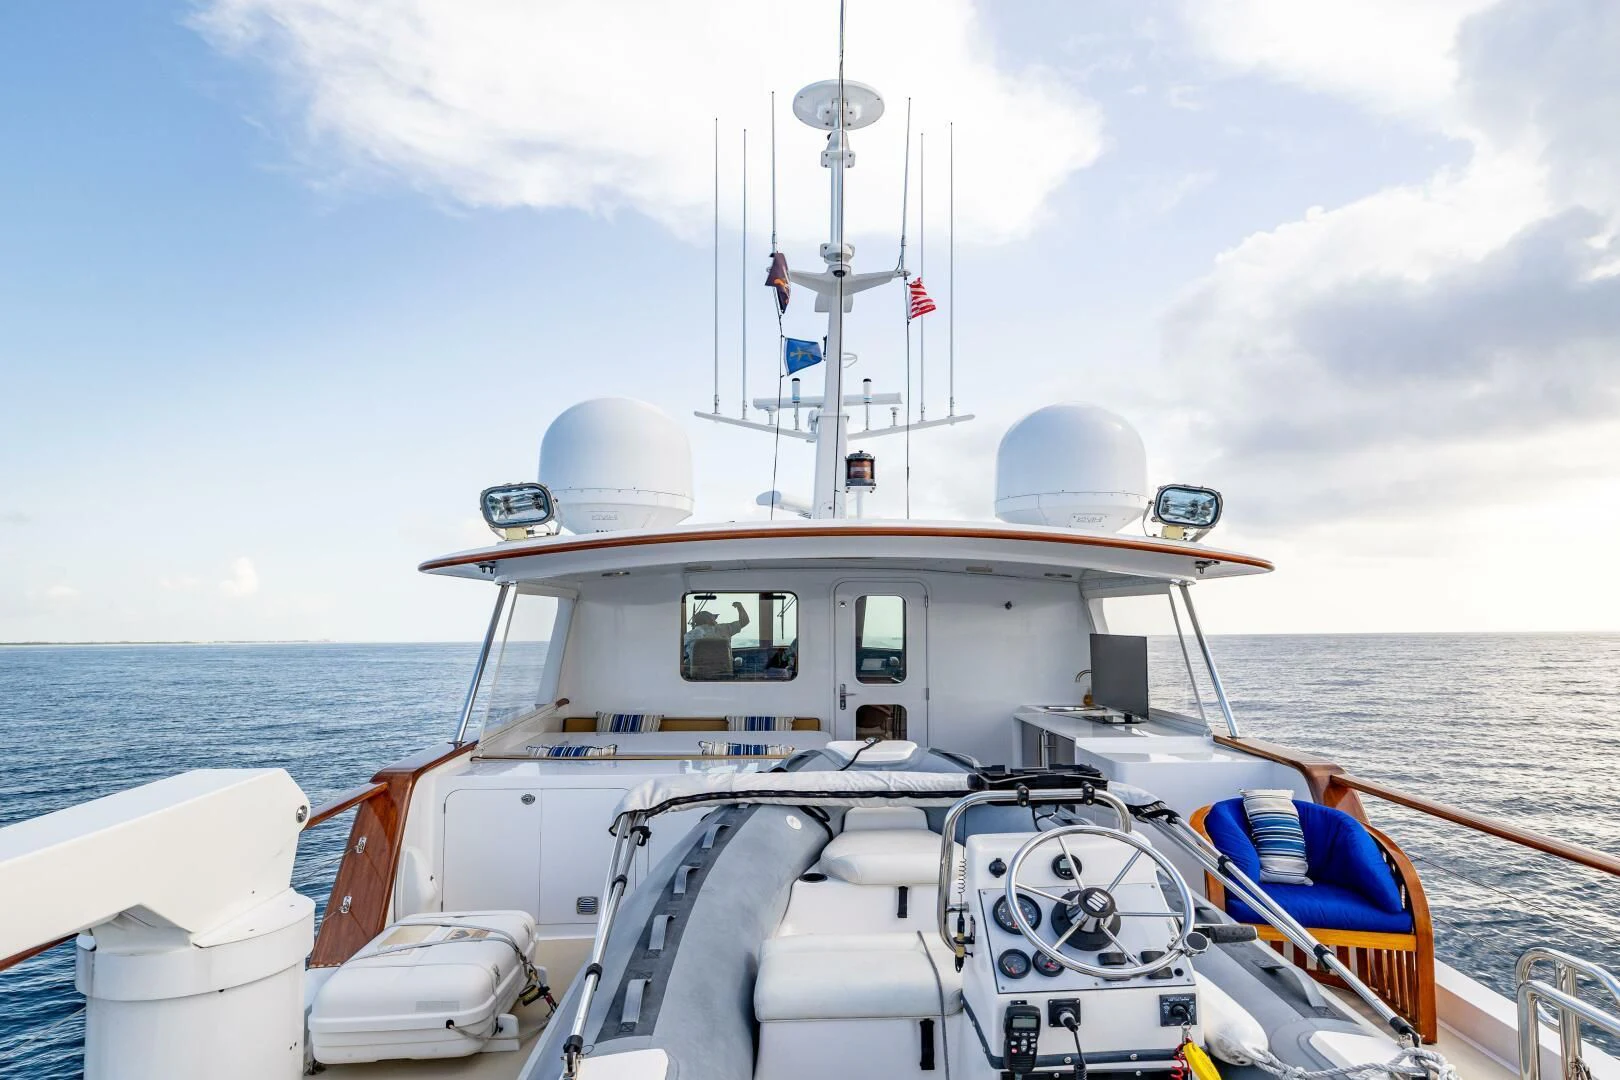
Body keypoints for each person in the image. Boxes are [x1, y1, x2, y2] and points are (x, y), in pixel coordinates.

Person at [684, 601, 750, 673]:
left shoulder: (688, 636)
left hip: (696, 677)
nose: (716, 621)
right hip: (724, 675)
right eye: (714, 618)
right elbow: (745, 621)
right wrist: (739, 607)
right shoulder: (724, 628)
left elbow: (683, 655)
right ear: (709, 620)